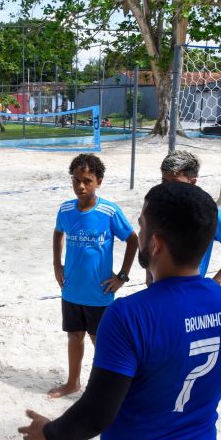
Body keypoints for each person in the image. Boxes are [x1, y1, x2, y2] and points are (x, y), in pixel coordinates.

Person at [19, 182, 221, 440]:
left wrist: (49, 433)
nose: (138, 230)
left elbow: (97, 412)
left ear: (155, 242)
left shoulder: (129, 315)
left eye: (142, 225)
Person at [49, 153, 139, 399]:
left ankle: (107, 387)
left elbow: (132, 240)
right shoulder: (66, 209)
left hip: (99, 292)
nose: (81, 186)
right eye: (76, 180)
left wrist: (122, 275)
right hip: (71, 289)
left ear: (98, 181)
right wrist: (57, 265)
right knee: (74, 336)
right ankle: (72, 382)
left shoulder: (109, 212)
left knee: (101, 341)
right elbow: (58, 233)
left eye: (87, 180)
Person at [159, 150, 221, 284]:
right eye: (164, 181)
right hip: (159, 287)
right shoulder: (159, 207)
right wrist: (149, 273)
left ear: (192, 182)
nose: (168, 187)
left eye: (175, 182)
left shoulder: (208, 212)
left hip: (191, 288)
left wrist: (216, 282)